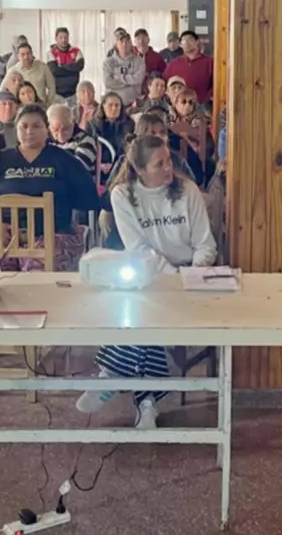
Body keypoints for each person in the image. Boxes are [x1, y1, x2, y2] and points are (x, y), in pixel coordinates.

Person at [77, 135, 217, 429]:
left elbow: (205, 244)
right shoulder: (122, 195)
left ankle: (112, 375)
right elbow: (139, 248)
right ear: (139, 170)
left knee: (141, 316)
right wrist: (169, 278)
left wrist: (190, 274)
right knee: (137, 313)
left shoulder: (187, 191)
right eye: (159, 164)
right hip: (148, 274)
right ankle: (146, 402)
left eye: (168, 161)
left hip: (188, 275)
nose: (168, 169)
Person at [0, 104, 100, 271]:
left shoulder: (64, 160)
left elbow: (87, 197)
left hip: (53, 234)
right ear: (16, 129)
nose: (29, 131)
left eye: (36, 126)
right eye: (23, 126)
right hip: (5, 234)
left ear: (47, 130)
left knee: (37, 274)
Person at [169, 88, 214, 186]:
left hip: (195, 156)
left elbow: (207, 144)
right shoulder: (167, 119)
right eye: (183, 101)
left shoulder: (200, 121)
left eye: (191, 103)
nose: (187, 105)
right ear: (175, 103)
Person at [47, 103, 103, 175]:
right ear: (49, 126)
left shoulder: (86, 141)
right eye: (55, 130)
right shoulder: (45, 141)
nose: (60, 134)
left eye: (65, 129)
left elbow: (76, 170)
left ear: (73, 122)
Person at [163, 30, 214, 106]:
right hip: (179, 107)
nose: (186, 42)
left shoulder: (210, 62)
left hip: (202, 107)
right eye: (183, 40)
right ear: (180, 44)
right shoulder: (173, 64)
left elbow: (216, 86)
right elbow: (165, 83)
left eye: (190, 39)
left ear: (197, 42)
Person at [104, 31, 147, 107]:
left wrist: (119, 78)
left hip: (134, 105)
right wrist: (129, 83)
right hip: (113, 105)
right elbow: (108, 82)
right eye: (121, 41)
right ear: (116, 44)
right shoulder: (108, 62)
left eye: (127, 41)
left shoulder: (139, 61)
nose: (124, 44)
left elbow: (138, 79)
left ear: (131, 44)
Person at [91, 91, 135, 159]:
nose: (114, 108)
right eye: (110, 105)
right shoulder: (93, 124)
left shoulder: (129, 123)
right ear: (103, 106)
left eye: (117, 105)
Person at [47, 26, 84, 103]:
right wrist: (72, 69)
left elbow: (79, 67)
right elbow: (55, 71)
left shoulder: (76, 51)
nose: (64, 40)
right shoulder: (51, 52)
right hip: (57, 94)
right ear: (56, 38)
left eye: (66, 37)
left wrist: (63, 66)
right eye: (61, 37)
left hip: (73, 93)